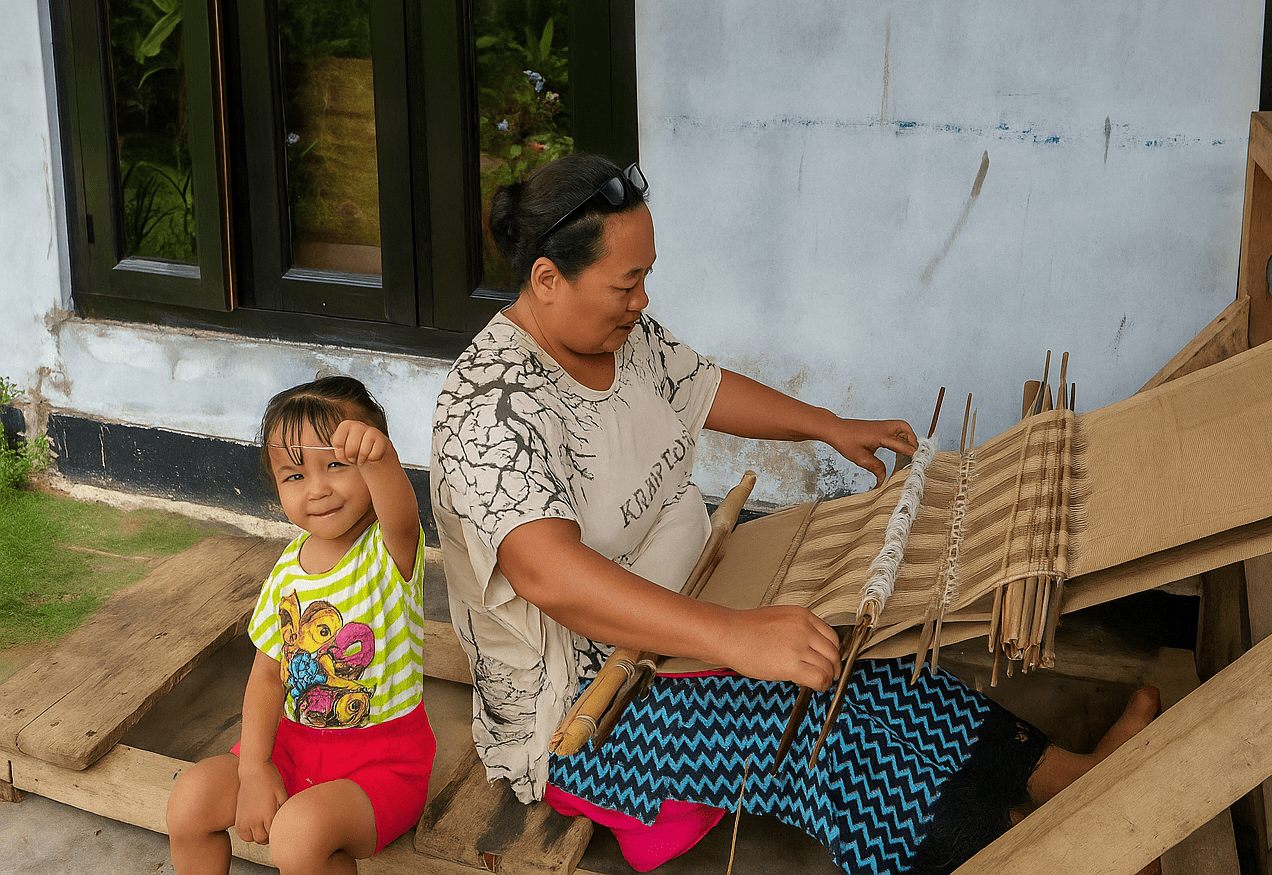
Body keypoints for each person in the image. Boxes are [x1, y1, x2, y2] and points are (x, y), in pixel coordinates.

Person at [430, 154, 1159, 875]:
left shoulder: (619, 335)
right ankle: (1028, 853)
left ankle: (1066, 775)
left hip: (690, 596)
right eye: (629, 282)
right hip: (588, 703)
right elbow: (546, 573)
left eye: (647, 276)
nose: (643, 300)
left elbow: (702, 389)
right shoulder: (490, 407)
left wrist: (828, 424)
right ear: (548, 280)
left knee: (873, 664)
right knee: (826, 736)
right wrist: (735, 637)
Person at [167, 376, 436, 875]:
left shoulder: (389, 551)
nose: (318, 489)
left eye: (337, 464)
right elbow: (267, 677)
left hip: (381, 766)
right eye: (294, 476)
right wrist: (253, 767)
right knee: (190, 798)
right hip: (292, 749)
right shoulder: (286, 572)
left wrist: (381, 460)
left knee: (298, 835)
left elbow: (401, 509)